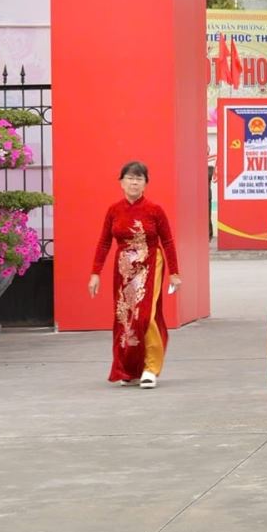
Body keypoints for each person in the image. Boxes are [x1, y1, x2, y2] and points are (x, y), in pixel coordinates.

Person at [89, 161, 180, 388]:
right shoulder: (114, 210)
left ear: (145, 184)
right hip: (123, 269)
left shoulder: (154, 210)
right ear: (121, 182)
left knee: (145, 315)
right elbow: (104, 243)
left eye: (139, 179)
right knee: (125, 317)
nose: (134, 182)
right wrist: (95, 273)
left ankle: (150, 368)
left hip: (150, 265)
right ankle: (128, 368)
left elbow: (168, 242)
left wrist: (175, 273)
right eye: (130, 178)